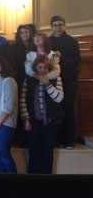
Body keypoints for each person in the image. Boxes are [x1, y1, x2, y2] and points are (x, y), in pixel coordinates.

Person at [20, 56, 64, 173]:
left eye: (45, 67)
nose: (42, 70)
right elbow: (23, 100)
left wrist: (47, 83)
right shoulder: (28, 80)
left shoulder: (56, 79)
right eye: (40, 67)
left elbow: (58, 98)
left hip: (50, 122)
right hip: (33, 121)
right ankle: (33, 180)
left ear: (49, 68)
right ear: (35, 68)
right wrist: (26, 118)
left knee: (47, 152)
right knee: (34, 151)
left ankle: (46, 181)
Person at [49, 16, 81, 149]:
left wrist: (61, 58)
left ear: (65, 26)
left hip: (68, 81)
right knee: (55, 111)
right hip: (52, 81)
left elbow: (75, 62)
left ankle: (69, 139)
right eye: (55, 25)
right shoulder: (48, 41)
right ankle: (57, 138)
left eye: (60, 24)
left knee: (67, 110)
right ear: (51, 27)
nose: (58, 27)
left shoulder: (72, 42)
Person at [10, 24, 35, 90]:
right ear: (19, 35)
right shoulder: (13, 47)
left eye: (26, 32)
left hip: (33, 73)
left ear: (30, 33)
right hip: (20, 74)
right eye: (21, 33)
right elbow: (12, 62)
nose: (24, 34)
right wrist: (23, 64)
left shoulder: (35, 45)